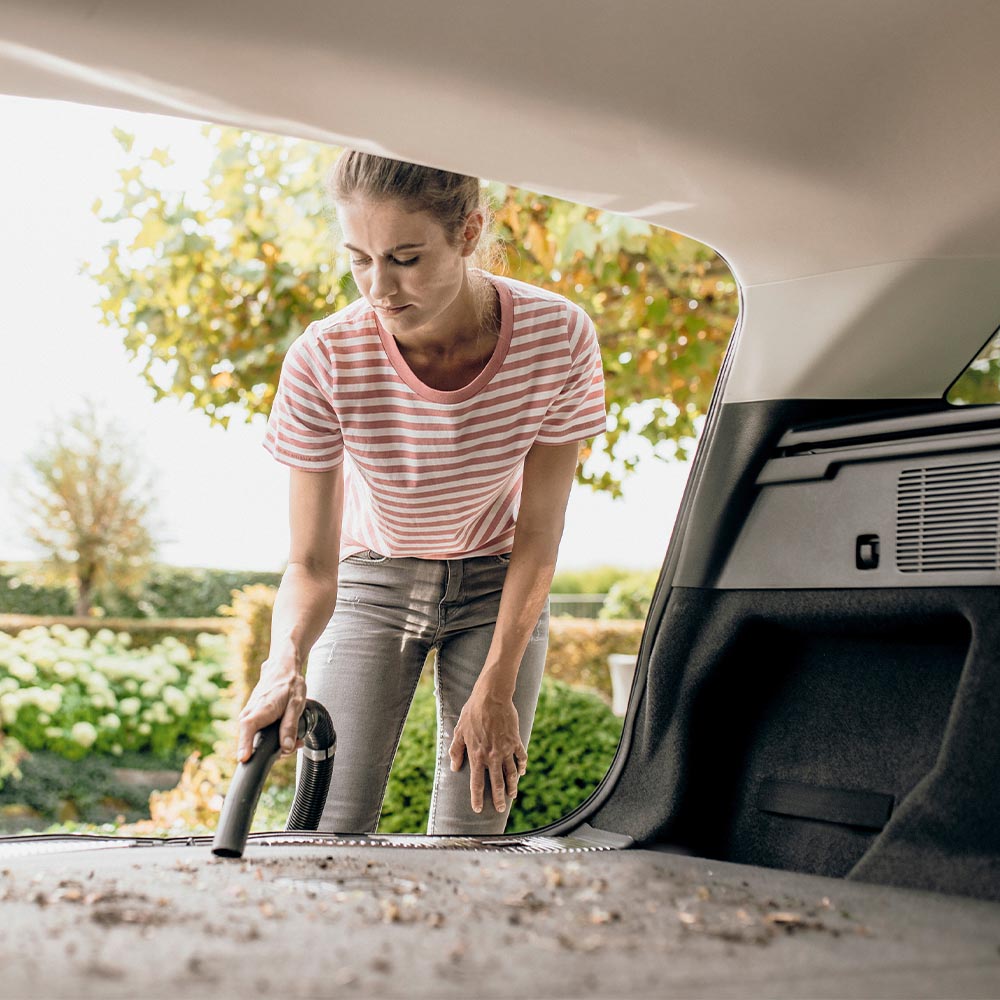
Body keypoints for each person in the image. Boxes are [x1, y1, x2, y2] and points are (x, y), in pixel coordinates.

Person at [237, 151, 607, 835]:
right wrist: (283, 659)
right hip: (372, 578)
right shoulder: (325, 357)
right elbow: (311, 564)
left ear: (468, 233)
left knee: (474, 828)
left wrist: (497, 683)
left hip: (498, 580)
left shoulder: (557, 337)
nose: (379, 287)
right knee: (328, 823)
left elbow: (540, 533)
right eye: (359, 259)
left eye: (405, 258)